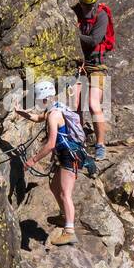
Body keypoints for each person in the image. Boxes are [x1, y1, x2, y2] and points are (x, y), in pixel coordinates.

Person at [24, 78, 87, 246]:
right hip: (67, 153)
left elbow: (51, 144)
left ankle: (69, 231)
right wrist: (22, 113)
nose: (37, 102)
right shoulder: (56, 107)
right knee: (54, 186)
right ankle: (63, 216)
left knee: (65, 193)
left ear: (44, 98)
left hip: (69, 155)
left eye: (38, 99)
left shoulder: (54, 115)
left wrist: (33, 160)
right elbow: (38, 118)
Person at [69, 0, 115, 160]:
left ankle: (100, 145)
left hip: (96, 65)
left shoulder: (101, 15)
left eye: (88, 4)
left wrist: (74, 34)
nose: (85, 7)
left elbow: (94, 40)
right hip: (80, 63)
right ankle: (78, 143)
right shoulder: (75, 12)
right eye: (83, 4)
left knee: (94, 104)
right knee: (75, 106)